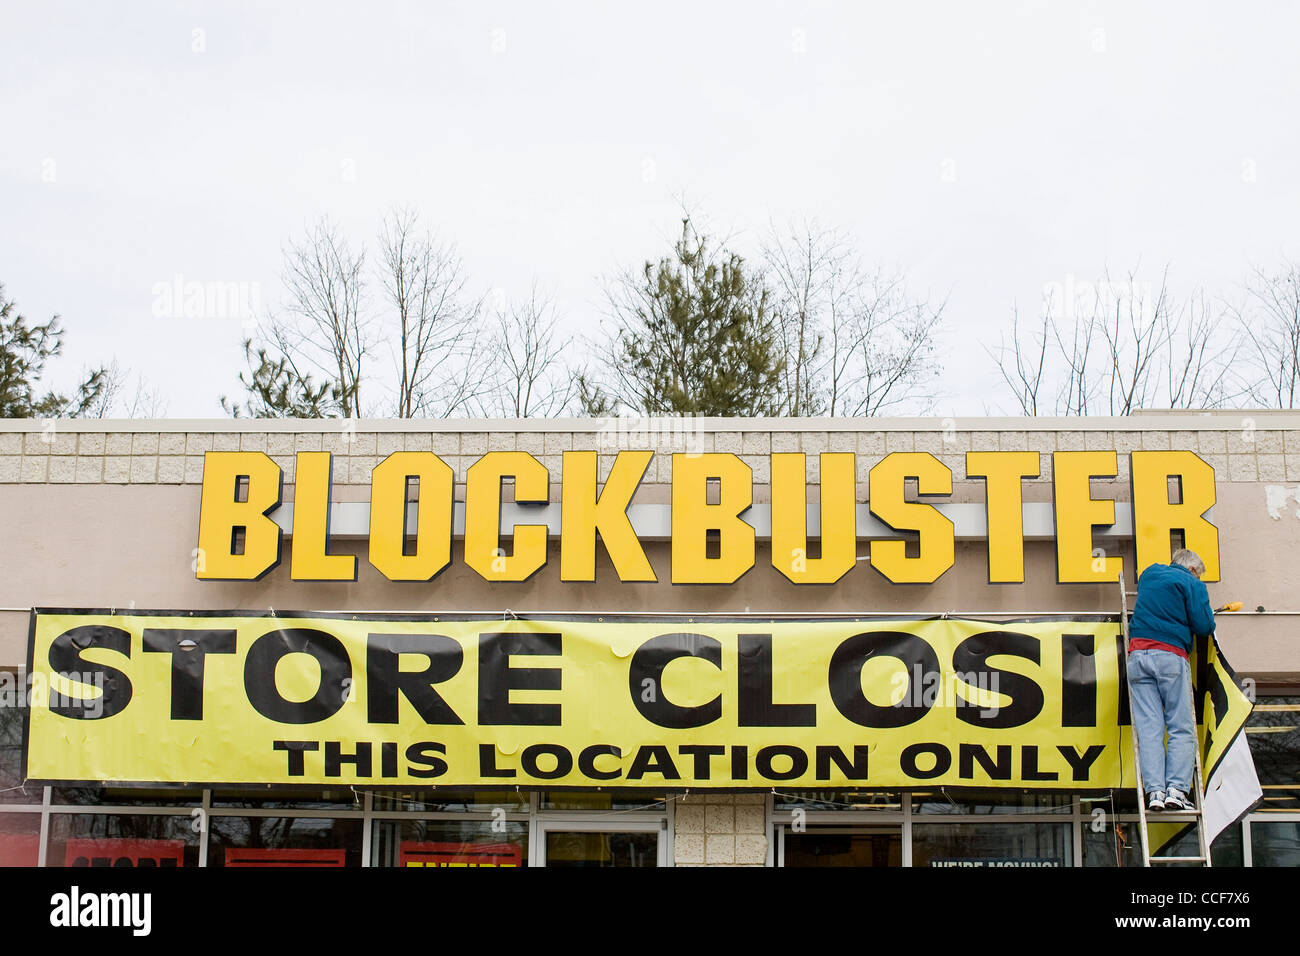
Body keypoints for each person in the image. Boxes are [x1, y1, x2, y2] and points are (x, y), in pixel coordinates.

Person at [1127, 548, 1216, 812]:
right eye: (1198, 574)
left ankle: (1154, 792)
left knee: (1149, 729)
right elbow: (1204, 626)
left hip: (1137, 657)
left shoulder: (1150, 573)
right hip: (1169, 656)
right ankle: (1176, 790)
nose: (1198, 579)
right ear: (1192, 569)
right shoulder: (1191, 583)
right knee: (1180, 726)